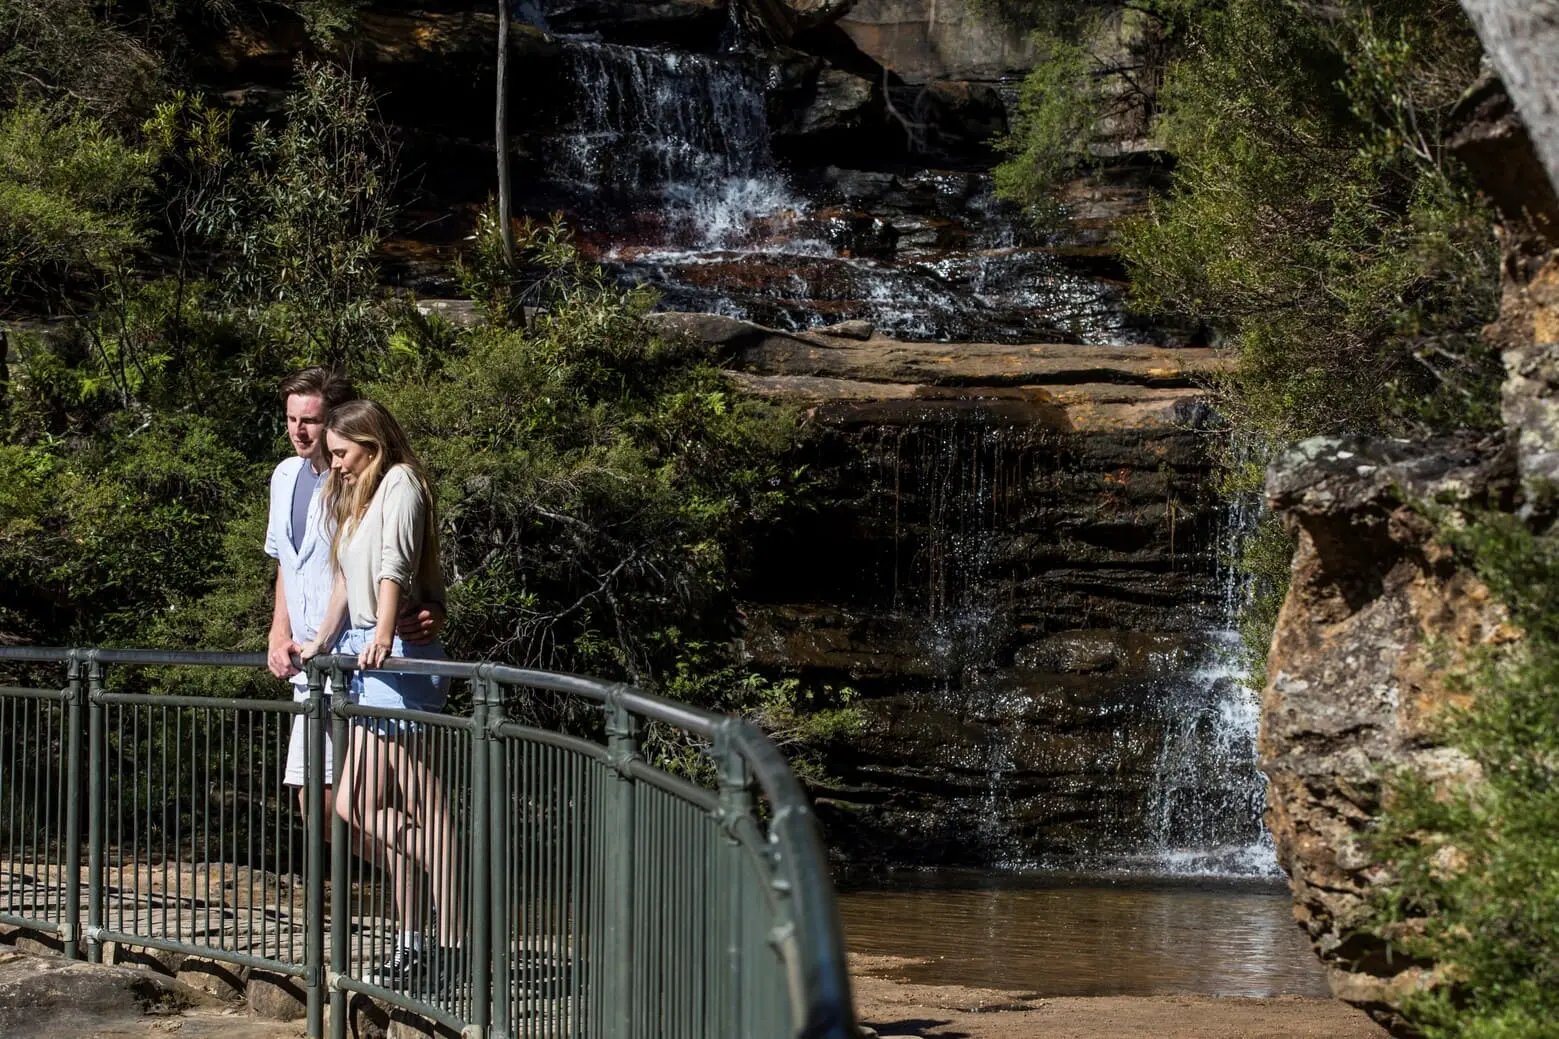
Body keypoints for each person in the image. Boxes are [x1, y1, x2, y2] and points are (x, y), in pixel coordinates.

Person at [298, 398, 457, 991]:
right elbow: (345, 577)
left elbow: (395, 567)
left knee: (424, 804)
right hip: (367, 657)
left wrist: (386, 633)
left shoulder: (402, 484)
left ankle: (447, 940)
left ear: (372, 442)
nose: (334, 464)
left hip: (395, 660)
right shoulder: (360, 495)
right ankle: (428, 917)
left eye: (341, 453)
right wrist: (319, 641)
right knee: (350, 806)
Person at [265, 369, 443, 819]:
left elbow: (398, 563)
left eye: (311, 420)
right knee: (322, 806)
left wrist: (425, 613)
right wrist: (279, 633)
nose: (299, 431)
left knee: (365, 804)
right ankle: (427, 875)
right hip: (317, 661)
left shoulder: (377, 483)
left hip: (363, 656)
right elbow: (288, 562)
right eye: (290, 419)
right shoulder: (285, 476)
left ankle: (436, 877)